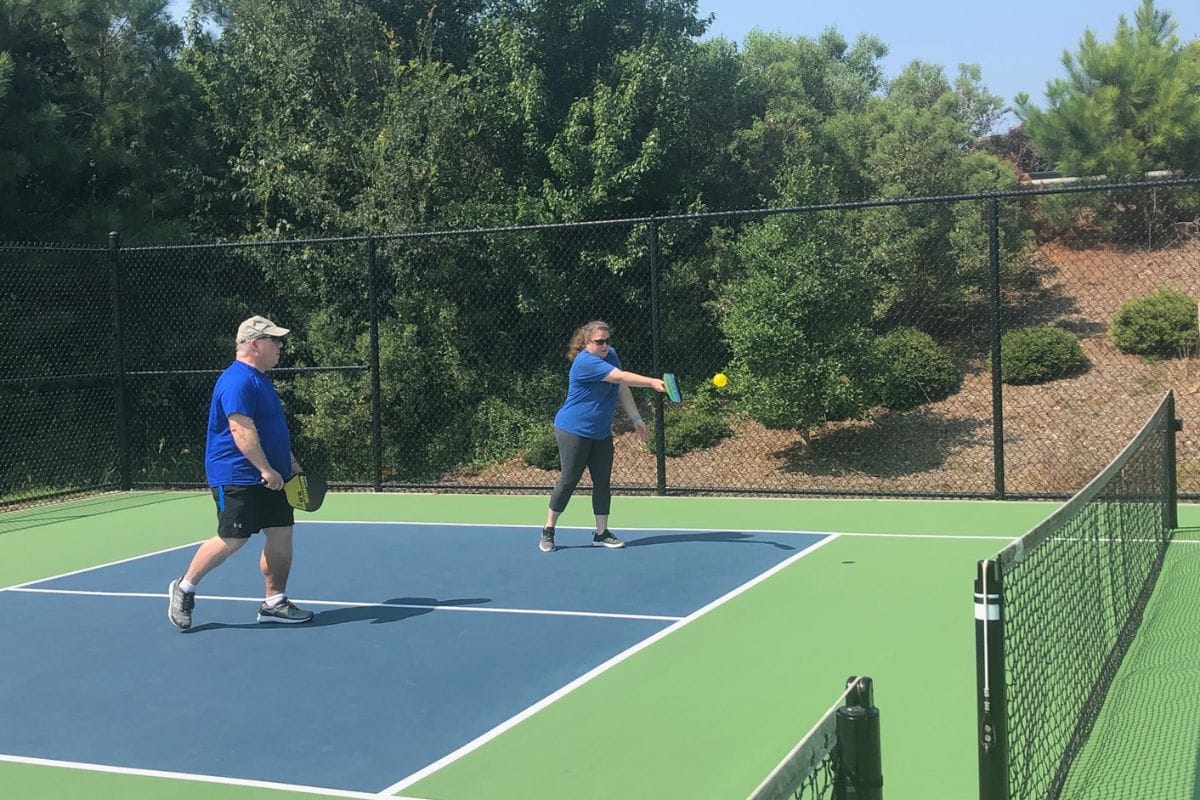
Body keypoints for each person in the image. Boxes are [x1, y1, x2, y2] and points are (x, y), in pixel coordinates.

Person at [167, 315, 314, 630]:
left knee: (281, 534)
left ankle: (274, 602)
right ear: (255, 344)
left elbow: (270, 429)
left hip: (272, 474)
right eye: (274, 340)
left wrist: (288, 463)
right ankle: (185, 587)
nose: (280, 346)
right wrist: (265, 470)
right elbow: (240, 429)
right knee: (233, 538)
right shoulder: (238, 380)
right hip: (236, 474)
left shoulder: (261, 379)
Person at [540, 320, 665, 552]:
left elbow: (621, 386)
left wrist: (636, 419)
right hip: (573, 430)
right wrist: (651, 382)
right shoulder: (585, 362)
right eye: (599, 342)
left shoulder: (611, 355)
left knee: (602, 482)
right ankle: (548, 531)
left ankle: (601, 533)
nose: (604, 345)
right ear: (587, 343)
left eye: (607, 341)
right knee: (569, 480)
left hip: (600, 432)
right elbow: (622, 378)